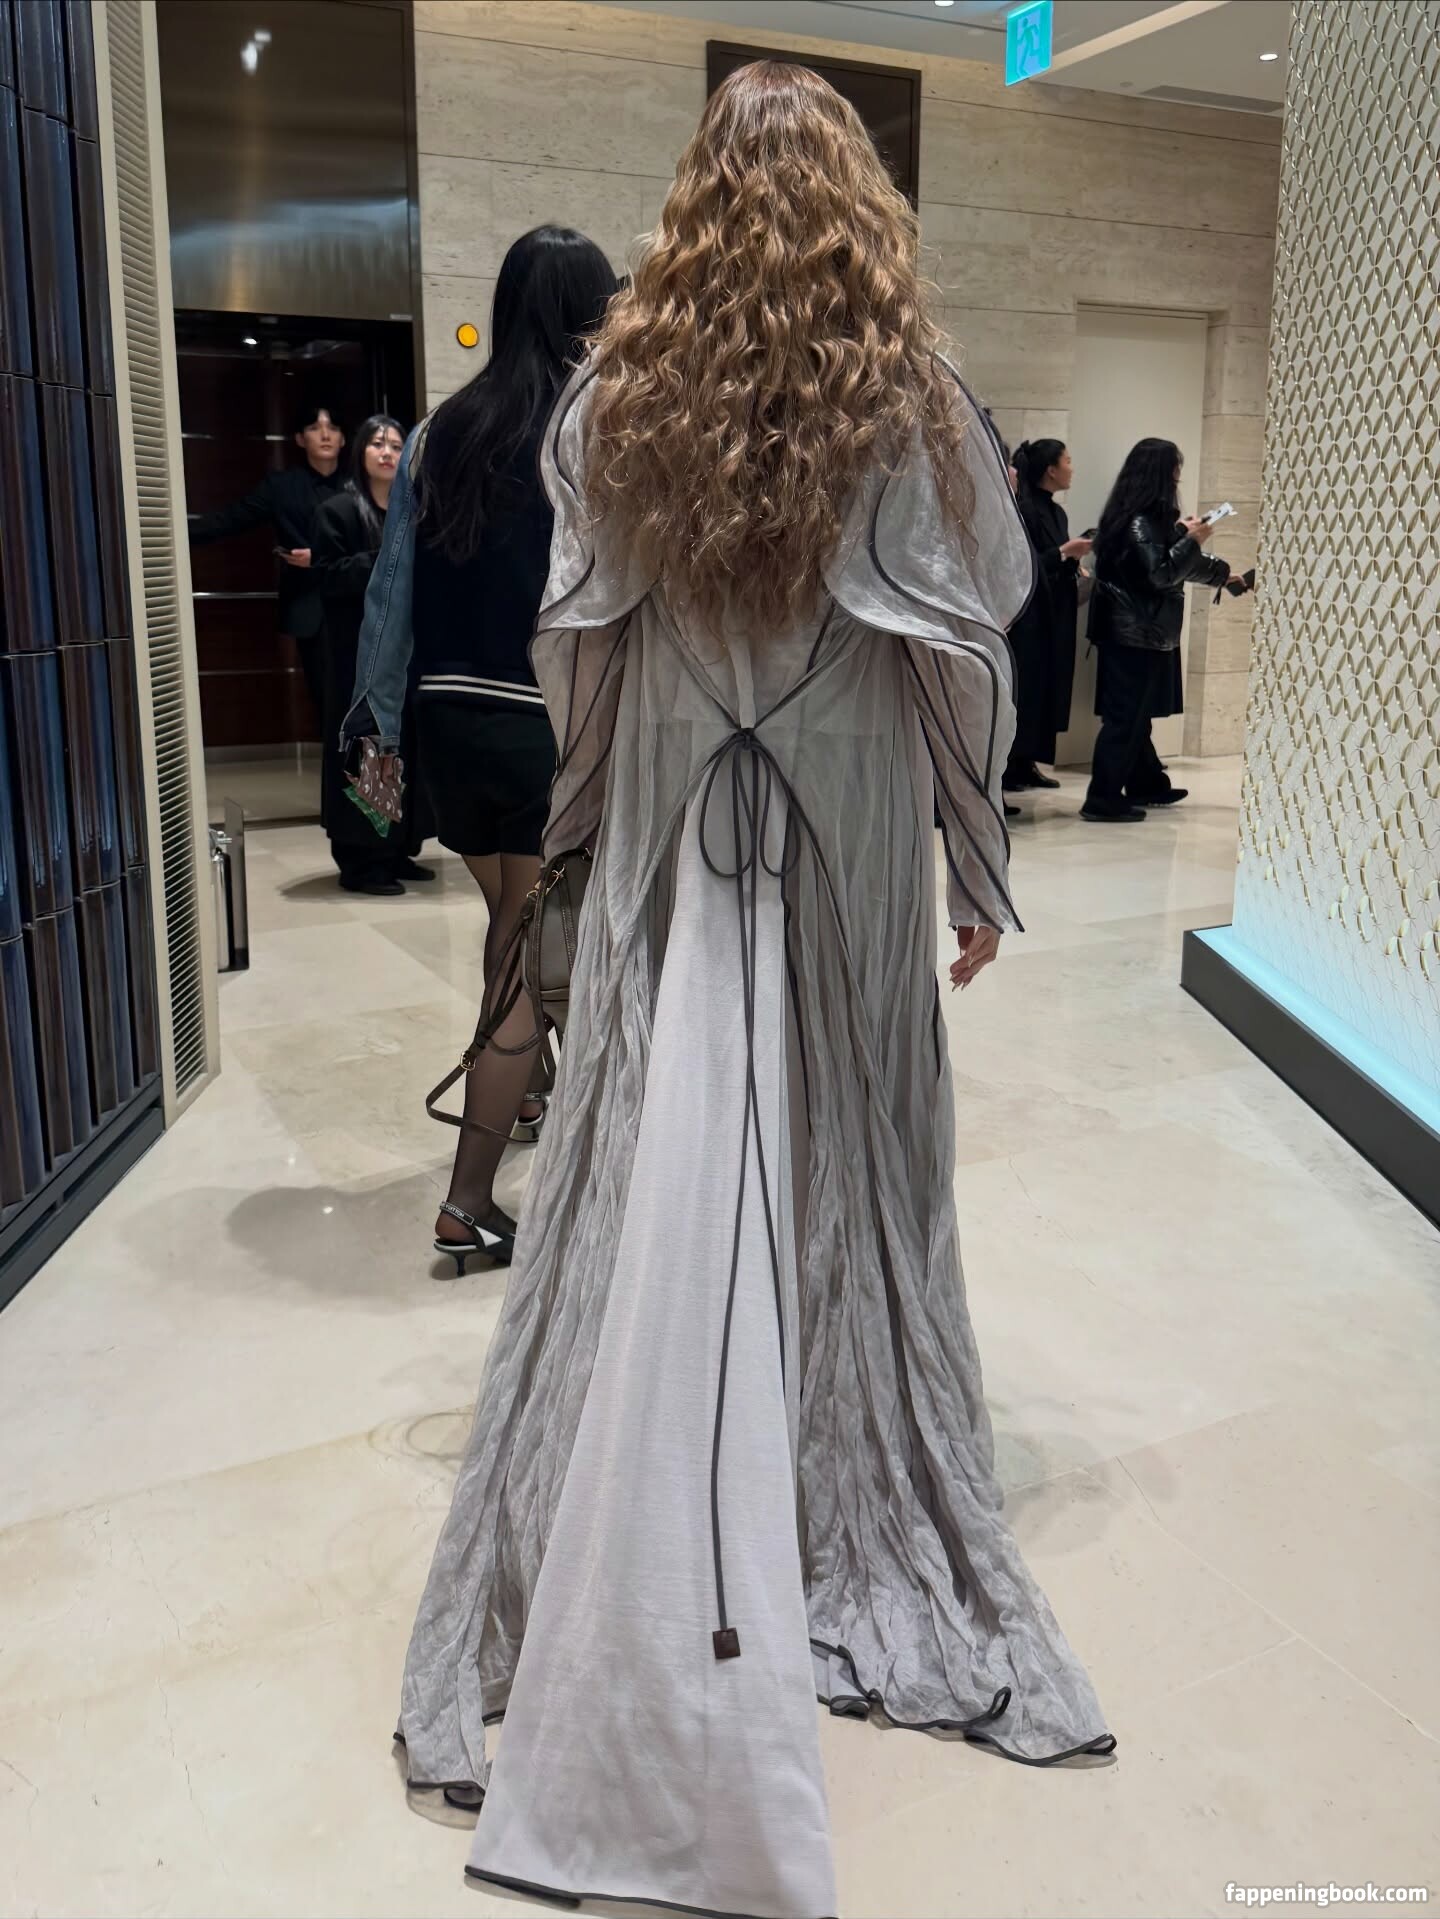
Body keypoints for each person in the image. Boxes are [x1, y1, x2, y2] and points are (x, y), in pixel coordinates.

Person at [394, 63, 1113, 1919]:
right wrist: (974, 858)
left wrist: (584, 821)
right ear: (863, 208)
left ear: (695, 200)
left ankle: (640, 1505)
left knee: (657, 1165)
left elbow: (580, 639)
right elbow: (968, 641)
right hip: (848, 831)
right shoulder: (914, 401)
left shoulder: (620, 399)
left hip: (673, 830)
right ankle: (824, 1500)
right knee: (847, 1167)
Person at [344, 228, 619, 1257]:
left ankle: (529, 1092)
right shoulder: (594, 430)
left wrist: (377, 725)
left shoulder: (435, 433)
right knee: (529, 954)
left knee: (515, 922)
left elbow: (391, 595)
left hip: (450, 722)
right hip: (547, 725)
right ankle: (467, 1203)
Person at [310, 415, 430, 895]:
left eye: (396, 445)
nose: (387, 452)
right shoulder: (338, 511)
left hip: (405, 655)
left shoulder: (412, 515)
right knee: (366, 747)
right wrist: (385, 563)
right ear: (359, 452)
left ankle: (397, 847)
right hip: (354, 657)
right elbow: (327, 577)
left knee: (401, 747)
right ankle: (363, 859)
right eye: (377, 444)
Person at [1082, 437, 1232, 822]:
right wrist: (1192, 541)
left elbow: (1163, 564)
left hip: (1134, 632)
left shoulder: (1138, 518)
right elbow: (1160, 573)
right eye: (1174, 468)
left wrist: (1219, 572)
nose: (1178, 475)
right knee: (1125, 718)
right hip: (1133, 634)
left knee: (1135, 715)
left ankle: (1145, 782)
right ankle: (1101, 798)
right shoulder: (1139, 522)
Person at [188, 402, 347, 717]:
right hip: (310, 607)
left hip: (358, 604)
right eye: (314, 428)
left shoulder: (359, 486)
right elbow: (230, 519)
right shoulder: (282, 487)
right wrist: (169, 533)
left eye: (333, 428)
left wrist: (320, 557)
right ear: (300, 439)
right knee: (327, 702)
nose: (325, 435)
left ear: (343, 438)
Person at [1004, 438, 1090, 795]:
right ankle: (1011, 765)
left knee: (1047, 689)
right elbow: (1024, 565)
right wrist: (1063, 552)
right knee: (1027, 689)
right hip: (1031, 618)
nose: (1072, 468)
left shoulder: (1057, 513)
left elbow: (1051, 561)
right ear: (1051, 470)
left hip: (1056, 612)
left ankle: (1027, 762)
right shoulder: (1025, 511)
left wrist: (1073, 562)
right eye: (1067, 461)